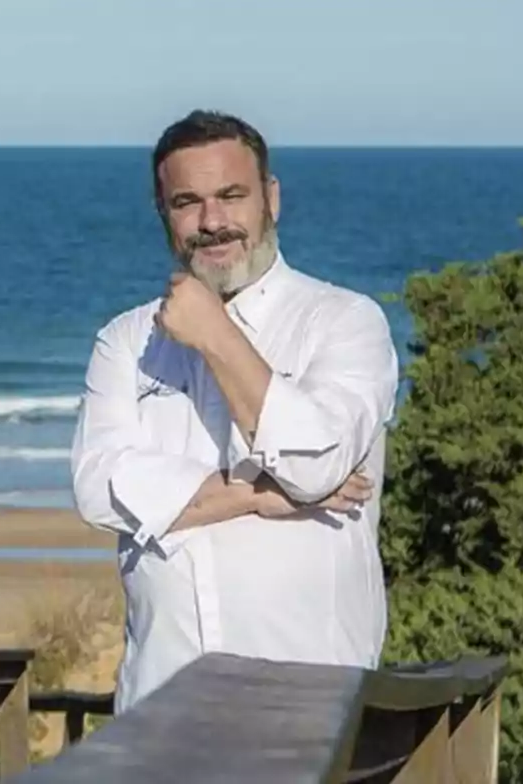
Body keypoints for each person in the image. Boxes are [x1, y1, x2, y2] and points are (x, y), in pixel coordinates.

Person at [70, 110, 400, 714]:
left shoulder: (345, 322)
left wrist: (217, 337)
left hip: (308, 707)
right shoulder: (126, 339)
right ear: (163, 214)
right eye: (187, 202)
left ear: (271, 199)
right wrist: (252, 492)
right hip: (160, 708)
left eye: (232, 196)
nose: (213, 221)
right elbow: (97, 490)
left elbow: (312, 465)